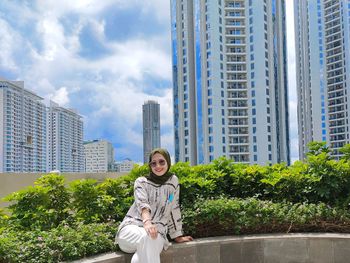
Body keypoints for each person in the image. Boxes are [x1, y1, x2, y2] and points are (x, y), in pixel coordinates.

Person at [115, 148, 193, 263]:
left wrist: (177, 235)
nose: (158, 166)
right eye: (153, 163)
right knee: (149, 237)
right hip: (131, 230)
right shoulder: (141, 182)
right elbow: (142, 204)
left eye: (162, 162)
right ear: (150, 165)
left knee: (147, 245)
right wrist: (147, 223)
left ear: (168, 162)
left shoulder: (173, 182)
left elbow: (173, 207)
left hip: (157, 232)